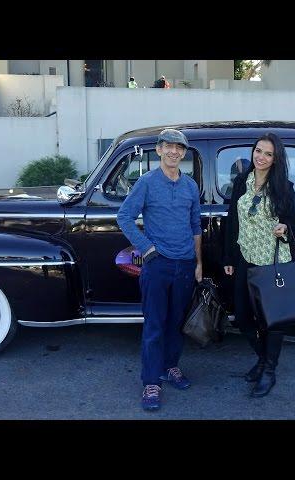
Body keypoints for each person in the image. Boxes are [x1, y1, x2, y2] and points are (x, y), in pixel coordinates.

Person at [117, 128, 202, 411]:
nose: (174, 151)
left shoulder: (190, 186)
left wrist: (198, 261)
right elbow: (125, 217)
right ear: (159, 149)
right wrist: (147, 247)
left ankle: (170, 367)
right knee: (154, 325)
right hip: (158, 265)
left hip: (185, 264)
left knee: (176, 323)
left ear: (184, 153)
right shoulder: (147, 182)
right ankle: (151, 382)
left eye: (179, 147)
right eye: (169, 146)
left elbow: (195, 226)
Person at [223, 132, 295, 397]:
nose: (261, 157)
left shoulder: (283, 187)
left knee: (272, 319)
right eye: (258, 151)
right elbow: (232, 221)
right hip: (245, 257)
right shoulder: (241, 182)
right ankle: (263, 359)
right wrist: (228, 257)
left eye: (268, 153)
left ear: (276, 158)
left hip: (273, 262)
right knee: (244, 317)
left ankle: (268, 370)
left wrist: (285, 226)